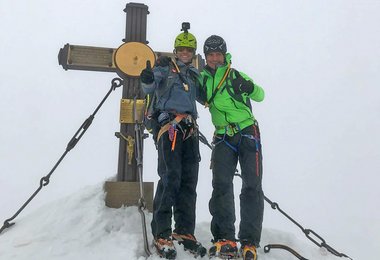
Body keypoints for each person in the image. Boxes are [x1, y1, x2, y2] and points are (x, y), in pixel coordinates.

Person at [139, 25, 206, 259]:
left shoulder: (194, 74)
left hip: (190, 129)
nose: (185, 52)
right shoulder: (165, 68)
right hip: (170, 128)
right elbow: (148, 86)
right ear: (176, 50)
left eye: (189, 49)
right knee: (170, 177)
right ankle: (162, 231)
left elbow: (205, 96)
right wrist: (147, 77)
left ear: (194, 51)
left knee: (189, 181)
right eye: (181, 49)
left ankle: (184, 231)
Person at [201, 35, 265, 260]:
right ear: (206, 56)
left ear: (224, 54)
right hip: (223, 136)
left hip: (247, 132)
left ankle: (249, 241)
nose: (215, 59)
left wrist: (247, 86)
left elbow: (260, 95)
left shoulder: (235, 75)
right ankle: (224, 237)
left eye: (218, 54)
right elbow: (188, 89)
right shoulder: (203, 79)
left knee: (252, 185)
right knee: (221, 184)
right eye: (211, 55)